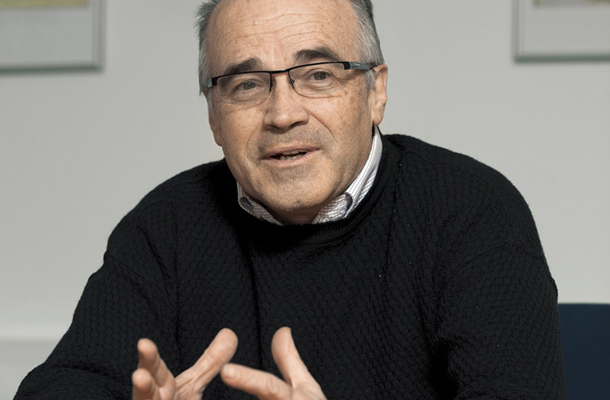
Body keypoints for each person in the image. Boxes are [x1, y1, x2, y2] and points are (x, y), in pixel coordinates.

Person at [15, 0, 566, 399]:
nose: (283, 114)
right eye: (247, 85)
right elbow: (64, 383)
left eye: (318, 75)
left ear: (375, 91)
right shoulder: (166, 226)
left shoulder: (472, 211)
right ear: (213, 116)